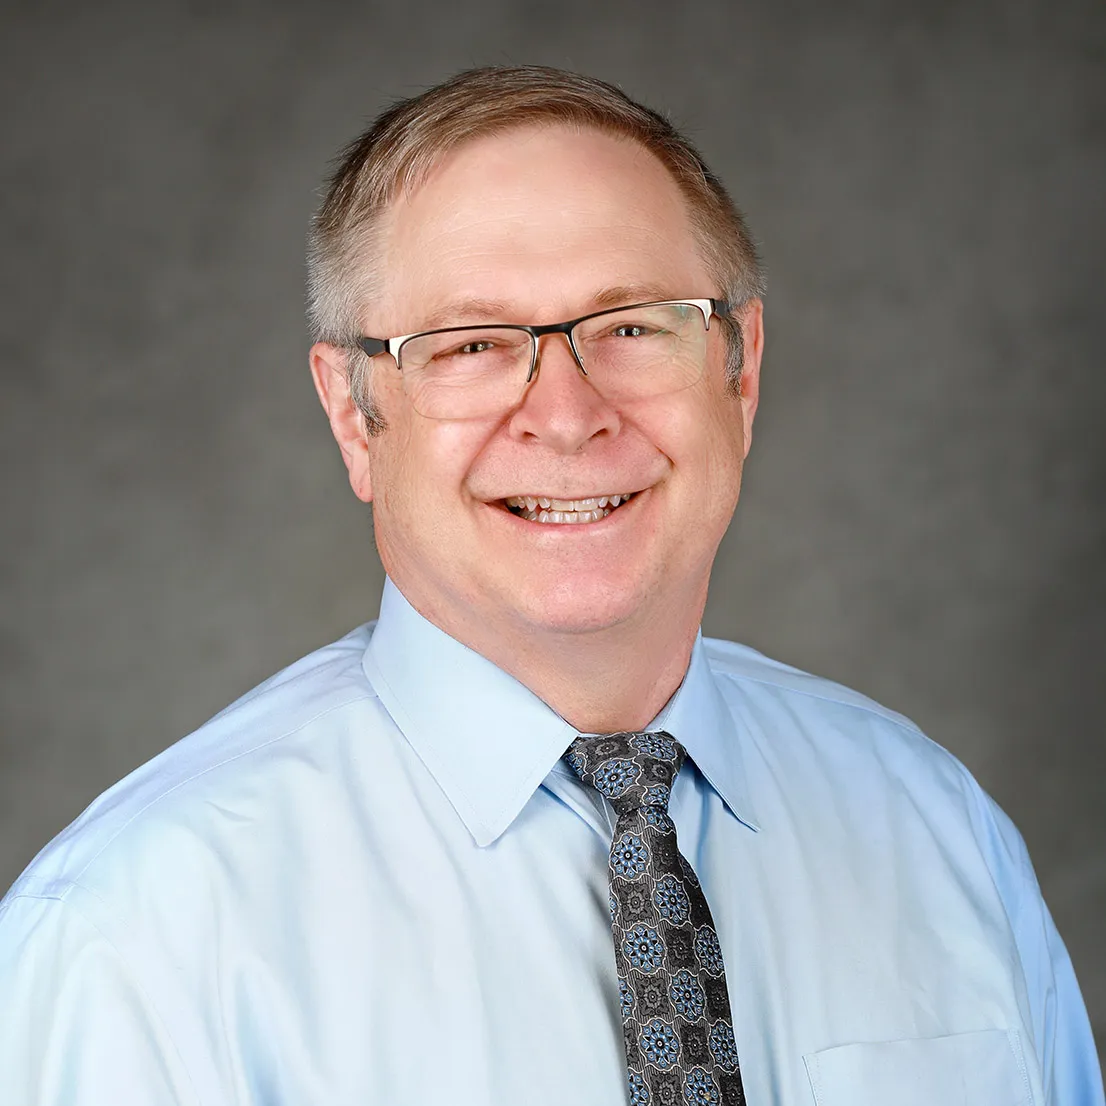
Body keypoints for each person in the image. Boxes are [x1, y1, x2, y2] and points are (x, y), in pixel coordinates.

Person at [0, 65, 1100, 1106]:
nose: (567, 415)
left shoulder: (937, 830)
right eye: (469, 345)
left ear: (741, 371)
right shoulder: (136, 939)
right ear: (353, 416)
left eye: (632, 327)